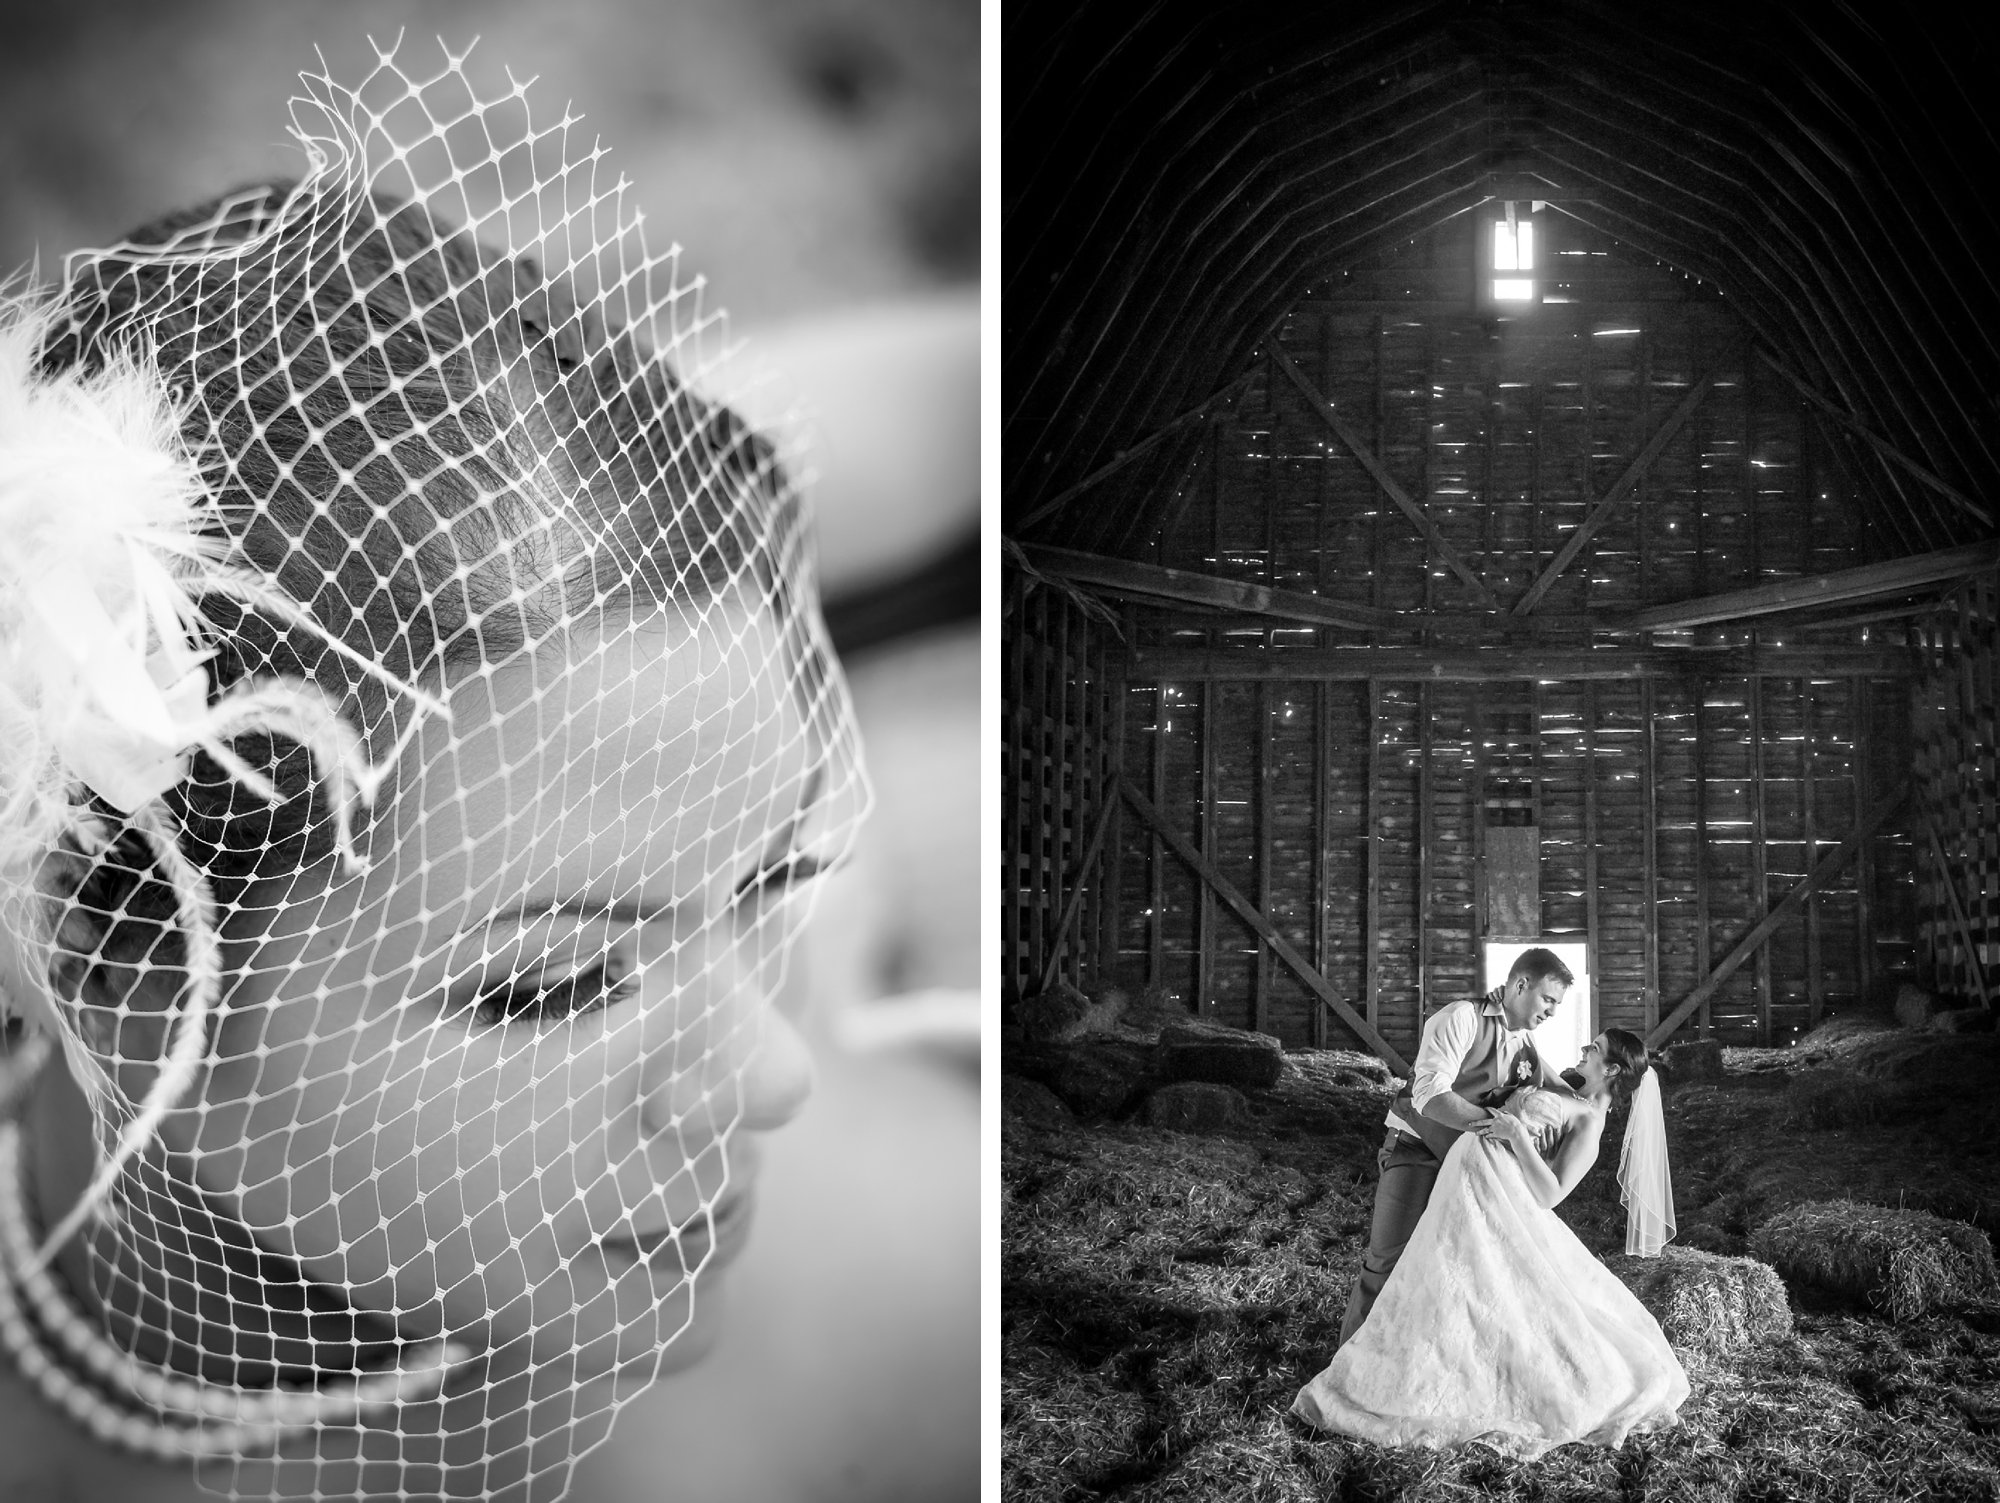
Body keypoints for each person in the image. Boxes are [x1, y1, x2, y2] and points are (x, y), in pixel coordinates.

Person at [0, 45, 864, 1503]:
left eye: (770, 874)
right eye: (555, 983)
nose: (778, 1072)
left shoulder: (878, 1335)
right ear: (92, 968)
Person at [1293, 1027, 1687, 1456]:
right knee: (1446, 1277)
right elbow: (1530, 1062)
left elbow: (1550, 1192)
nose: (1584, 1049)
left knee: (1463, 1284)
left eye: (1594, 1049)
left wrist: (1518, 1136)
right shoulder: (1570, 1091)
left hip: (1492, 1193)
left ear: (1610, 1068)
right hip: (1468, 1176)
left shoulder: (1591, 1121)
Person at [1337, 948, 1573, 1347]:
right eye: (1548, 999)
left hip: (1469, 1166)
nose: (1552, 1012)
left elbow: (1564, 1092)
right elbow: (1428, 1096)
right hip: (1417, 1149)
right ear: (1520, 985)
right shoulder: (1460, 1018)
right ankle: (1343, 1371)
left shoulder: (1526, 1046)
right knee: (1388, 1262)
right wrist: (1498, 1129)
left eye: (1558, 1004)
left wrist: (1598, 1104)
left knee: (1450, 1271)